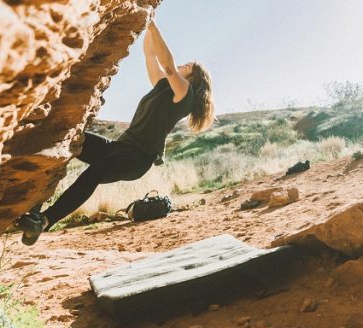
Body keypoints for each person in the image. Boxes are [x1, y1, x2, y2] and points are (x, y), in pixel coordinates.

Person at [15, 16, 214, 245]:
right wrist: (148, 21)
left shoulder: (185, 95)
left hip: (137, 158)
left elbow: (168, 63)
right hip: (121, 147)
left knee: (93, 174)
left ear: (194, 79)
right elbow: (150, 55)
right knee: (70, 140)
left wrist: (153, 25)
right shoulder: (162, 86)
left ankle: (44, 221)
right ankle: (35, 205)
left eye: (187, 67)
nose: (182, 67)